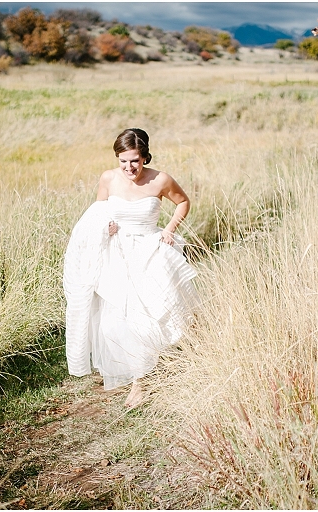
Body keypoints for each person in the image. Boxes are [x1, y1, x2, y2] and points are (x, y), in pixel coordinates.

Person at [63, 128, 199, 408]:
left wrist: (171, 229)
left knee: (150, 316)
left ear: (145, 156)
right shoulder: (108, 179)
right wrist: (105, 227)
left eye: (134, 160)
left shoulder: (160, 179)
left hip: (151, 250)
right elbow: (96, 215)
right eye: (123, 161)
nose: (129, 167)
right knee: (115, 321)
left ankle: (140, 383)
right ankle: (141, 370)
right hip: (117, 253)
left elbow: (183, 202)